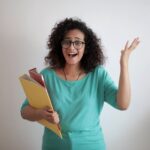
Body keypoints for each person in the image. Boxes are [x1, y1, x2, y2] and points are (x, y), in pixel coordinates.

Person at [20, 18, 140, 150]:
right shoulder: (46, 76)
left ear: (86, 47)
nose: (71, 47)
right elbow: (25, 112)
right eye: (67, 42)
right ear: (60, 45)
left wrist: (124, 63)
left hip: (92, 145)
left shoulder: (98, 75)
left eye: (78, 42)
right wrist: (41, 114)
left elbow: (123, 104)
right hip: (54, 145)